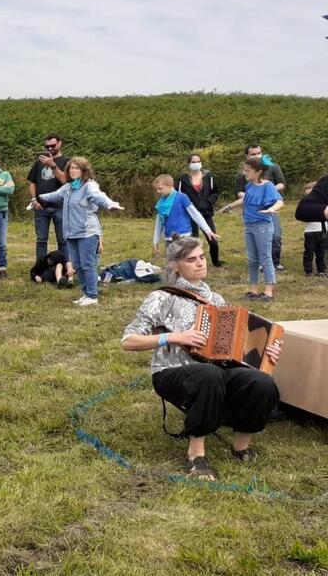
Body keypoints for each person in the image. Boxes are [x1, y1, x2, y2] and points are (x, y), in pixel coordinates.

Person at [121, 236, 281, 480]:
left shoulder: (215, 300)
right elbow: (128, 341)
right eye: (191, 259)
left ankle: (241, 447)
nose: (199, 263)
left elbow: (230, 352)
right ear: (175, 266)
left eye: (202, 257)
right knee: (210, 374)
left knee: (261, 382)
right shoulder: (163, 297)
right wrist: (174, 337)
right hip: (170, 371)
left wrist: (264, 356)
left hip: (214, 370)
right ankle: (196, 455)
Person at [34, 156, 123, 306]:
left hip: (87, 232)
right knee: (77, 265)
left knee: (88, 264)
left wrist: (110, 205)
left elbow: (98, 197)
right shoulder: (69, 187)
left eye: (77, 168)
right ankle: (86, 293)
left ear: (84, 171)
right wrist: (36, 198)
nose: (73, 171)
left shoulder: (89, 186)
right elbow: (54, 196)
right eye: (71, 168)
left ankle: (93, 296)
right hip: (71, 233)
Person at [220, 157, 284, 301]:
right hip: (249, 226)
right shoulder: (249, 186)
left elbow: (279, 201)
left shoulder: (268, 186)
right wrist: (229, 206)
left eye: (248, 171)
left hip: (262, 226)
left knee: (265, 258)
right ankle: (253, 290)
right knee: (253, 259)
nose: (245, 173)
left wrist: (271, 209)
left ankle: (268, 291)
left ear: (259, 172)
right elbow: (245, 200)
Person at [234, 144, 286, 270]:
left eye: (259, 152)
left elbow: (281, 184)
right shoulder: (242, 174)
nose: (257, 155)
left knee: (275, 235)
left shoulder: (272, 167)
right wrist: (253, 195)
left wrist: (267, 190)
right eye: (253, 154)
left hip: (271, 206)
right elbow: (239, 192)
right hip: (252, 210)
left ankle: (275, 262)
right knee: (256, 235)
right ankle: (260, 263)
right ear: (247, 156)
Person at [152, 174, 219, 256]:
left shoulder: (182, 197)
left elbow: (195, 214)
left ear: (169, 185)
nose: (158, 191)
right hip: (169, 239)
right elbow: (159, 224)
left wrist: (208, 230)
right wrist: (155, 242)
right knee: (171, 264)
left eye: (160, 188)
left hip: (183, 237)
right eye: (156, 189)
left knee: (185, 262)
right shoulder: (161, 203)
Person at [27, 133, 71, 261]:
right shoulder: (39, 163)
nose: (50, 149)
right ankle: (40, 268)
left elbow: (65, 181)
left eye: (53, 145)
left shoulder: (67, 162)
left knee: (63, 240)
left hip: (61, 207)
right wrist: (34, 199)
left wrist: (53, 165)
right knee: (41, 240)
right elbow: (32, 182)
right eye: (47, 146)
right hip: (41, 207)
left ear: (60, 143)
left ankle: (64, 267)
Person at [175, 154, 223, 267]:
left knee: (213, 240)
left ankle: (216, 261)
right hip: (190, 214)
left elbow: (215, 192)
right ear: (189, 163)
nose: (196, 163)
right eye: (193, 161)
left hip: (205, 212)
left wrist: (208, 202)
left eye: (198, 161)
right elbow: (178, 195)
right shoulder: (183, 179)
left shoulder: (209, 176)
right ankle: (193, 263)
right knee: (193, 241)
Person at [301, 182, 327, 276]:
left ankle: (321, 270)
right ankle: (308, 271)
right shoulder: (306, 206)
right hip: (310, 232)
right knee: (309, 252)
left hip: (322, 231)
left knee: (321, 252)